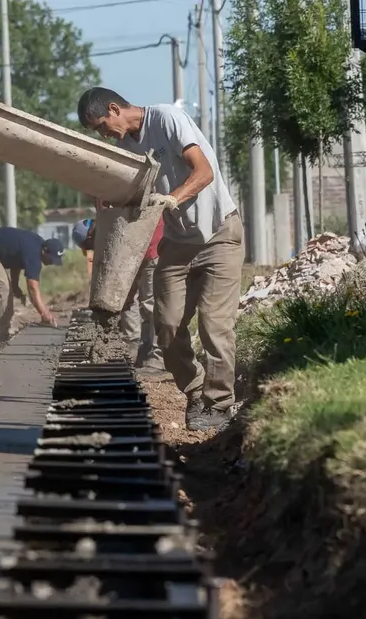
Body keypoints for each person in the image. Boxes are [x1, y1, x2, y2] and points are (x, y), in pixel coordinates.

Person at [76, 87, 244, 432]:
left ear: (114, 109)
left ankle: (220, 405)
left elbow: (204, 171)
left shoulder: (167, 118)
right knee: (166, 324)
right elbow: (130, 199)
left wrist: (172, 198)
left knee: (214, 325)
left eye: (102, 127)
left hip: (218, 235)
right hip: (178, 244)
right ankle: (196, 390)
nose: (105, 135)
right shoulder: (127, 150)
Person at [71, 213, 167, 378]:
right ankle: (134, 348)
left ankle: (158, 358)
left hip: (151, 249)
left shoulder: (110, 231)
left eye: (90, 246)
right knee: (126, 301)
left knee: (150, 305)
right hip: (132, 253)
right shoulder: (107, 225)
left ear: (91, 236)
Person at [0, 226, 64, 342]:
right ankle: (4, 335)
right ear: (44, 251)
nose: (51, 263)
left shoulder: (35, 245)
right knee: (3, 289)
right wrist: (44, 313)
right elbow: (32, 288)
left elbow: (16, 262)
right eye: (51, 259)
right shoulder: (33, 253)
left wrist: (15, 286)